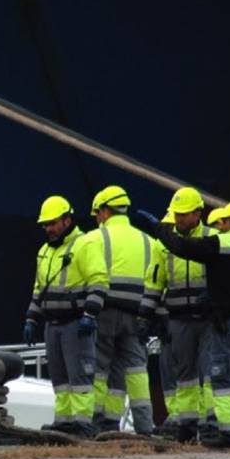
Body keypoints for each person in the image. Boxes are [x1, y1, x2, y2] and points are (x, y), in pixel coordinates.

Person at [131, 200, 230, 450]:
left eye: (224, 221)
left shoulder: (224, 243)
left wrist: (159, 228)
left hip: (228, 325)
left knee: (225, 379)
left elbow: (183, 247)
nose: (220, 225)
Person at [23, 195, 108, 436]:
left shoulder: (84, 245)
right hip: (53, 324)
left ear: (67, 221)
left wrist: (90, 315)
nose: (48, 229)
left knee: (80, 376)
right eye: (45, 225)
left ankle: (82, 423)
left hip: (75, 324)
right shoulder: (44, 252)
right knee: (59, 380)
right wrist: (31, 318)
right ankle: (64, 421)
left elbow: (99, 281)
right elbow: (39, 289)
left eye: (52, 223)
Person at [138, 187, 216, 442]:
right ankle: (187, 424)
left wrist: (215, 299)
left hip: (207, 320)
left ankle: (210, 423)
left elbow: (225, 278)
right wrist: (144, 317)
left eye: (184, 215)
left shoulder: (212, 238)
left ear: (198, 214)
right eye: (177, 215)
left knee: (208, 372)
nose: (179, 219)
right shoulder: (165, 246)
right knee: (185, 375)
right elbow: (154, 283)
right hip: (179, 319)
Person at [82, 185, 154, 434]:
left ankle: (95, 424)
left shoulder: (94, 238)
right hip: (138, 315)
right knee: (134, 370)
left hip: (104, 312)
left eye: (96, 214)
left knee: (99, 369)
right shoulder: (148, 241)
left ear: (104, 211)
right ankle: (144, 426)